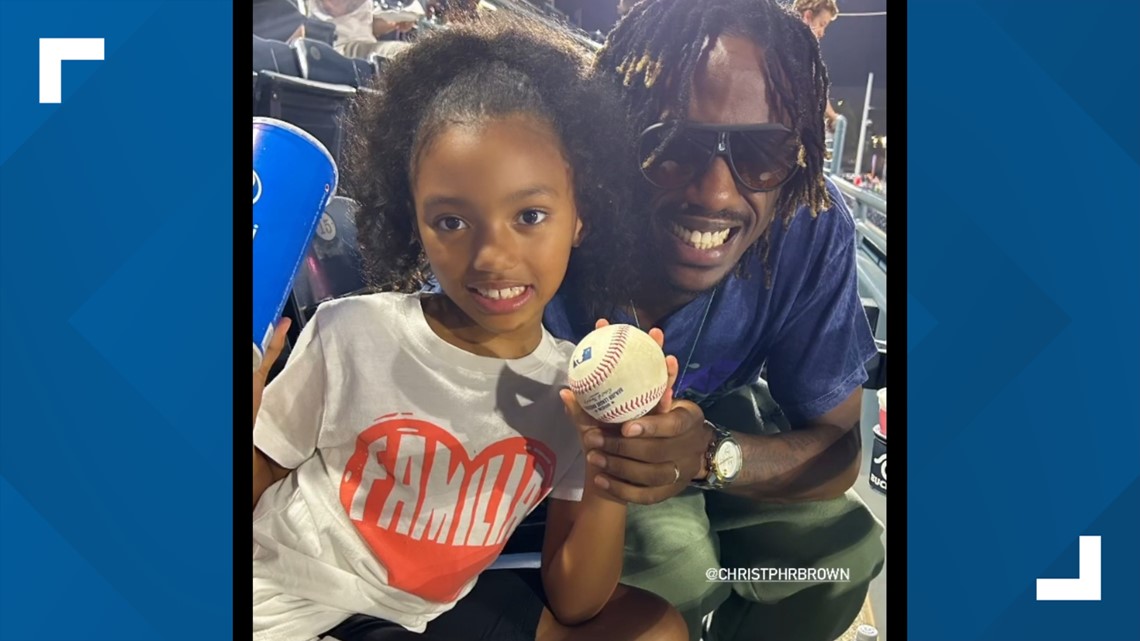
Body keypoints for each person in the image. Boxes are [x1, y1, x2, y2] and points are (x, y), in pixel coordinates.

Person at [252, 15, 688, 641]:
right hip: (289, 599)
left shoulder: (574, 391)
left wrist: (609, 466)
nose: (491, 255)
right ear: (415, 223)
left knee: (657, 629)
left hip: (423, 609)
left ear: (580, 219)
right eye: (452, 222)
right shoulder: (350, 332)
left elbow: (578, 601)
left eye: (530, 214)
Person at [543, 1, 885, 640]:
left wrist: (711, 455)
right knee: (674, 564)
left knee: (840, 559)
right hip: (566, 461)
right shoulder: (552, 203)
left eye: (764, 151)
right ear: (614, 138)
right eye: (672, 146)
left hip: (715, 436)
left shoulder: (807, 223)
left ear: (800, 159)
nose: (717, 192)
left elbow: (840, 448)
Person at [307, 0, 415, 59]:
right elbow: (334, 7)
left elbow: (367, 24)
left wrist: (394, 22)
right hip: (340, 49)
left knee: (416, 52)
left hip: (367, 45)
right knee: (407, 55)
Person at [792, 0, 841, 129]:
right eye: (821, 24)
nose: (822, 33)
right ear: (807, 17)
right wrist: (832, 116)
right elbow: (813, 87)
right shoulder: (796, 49)